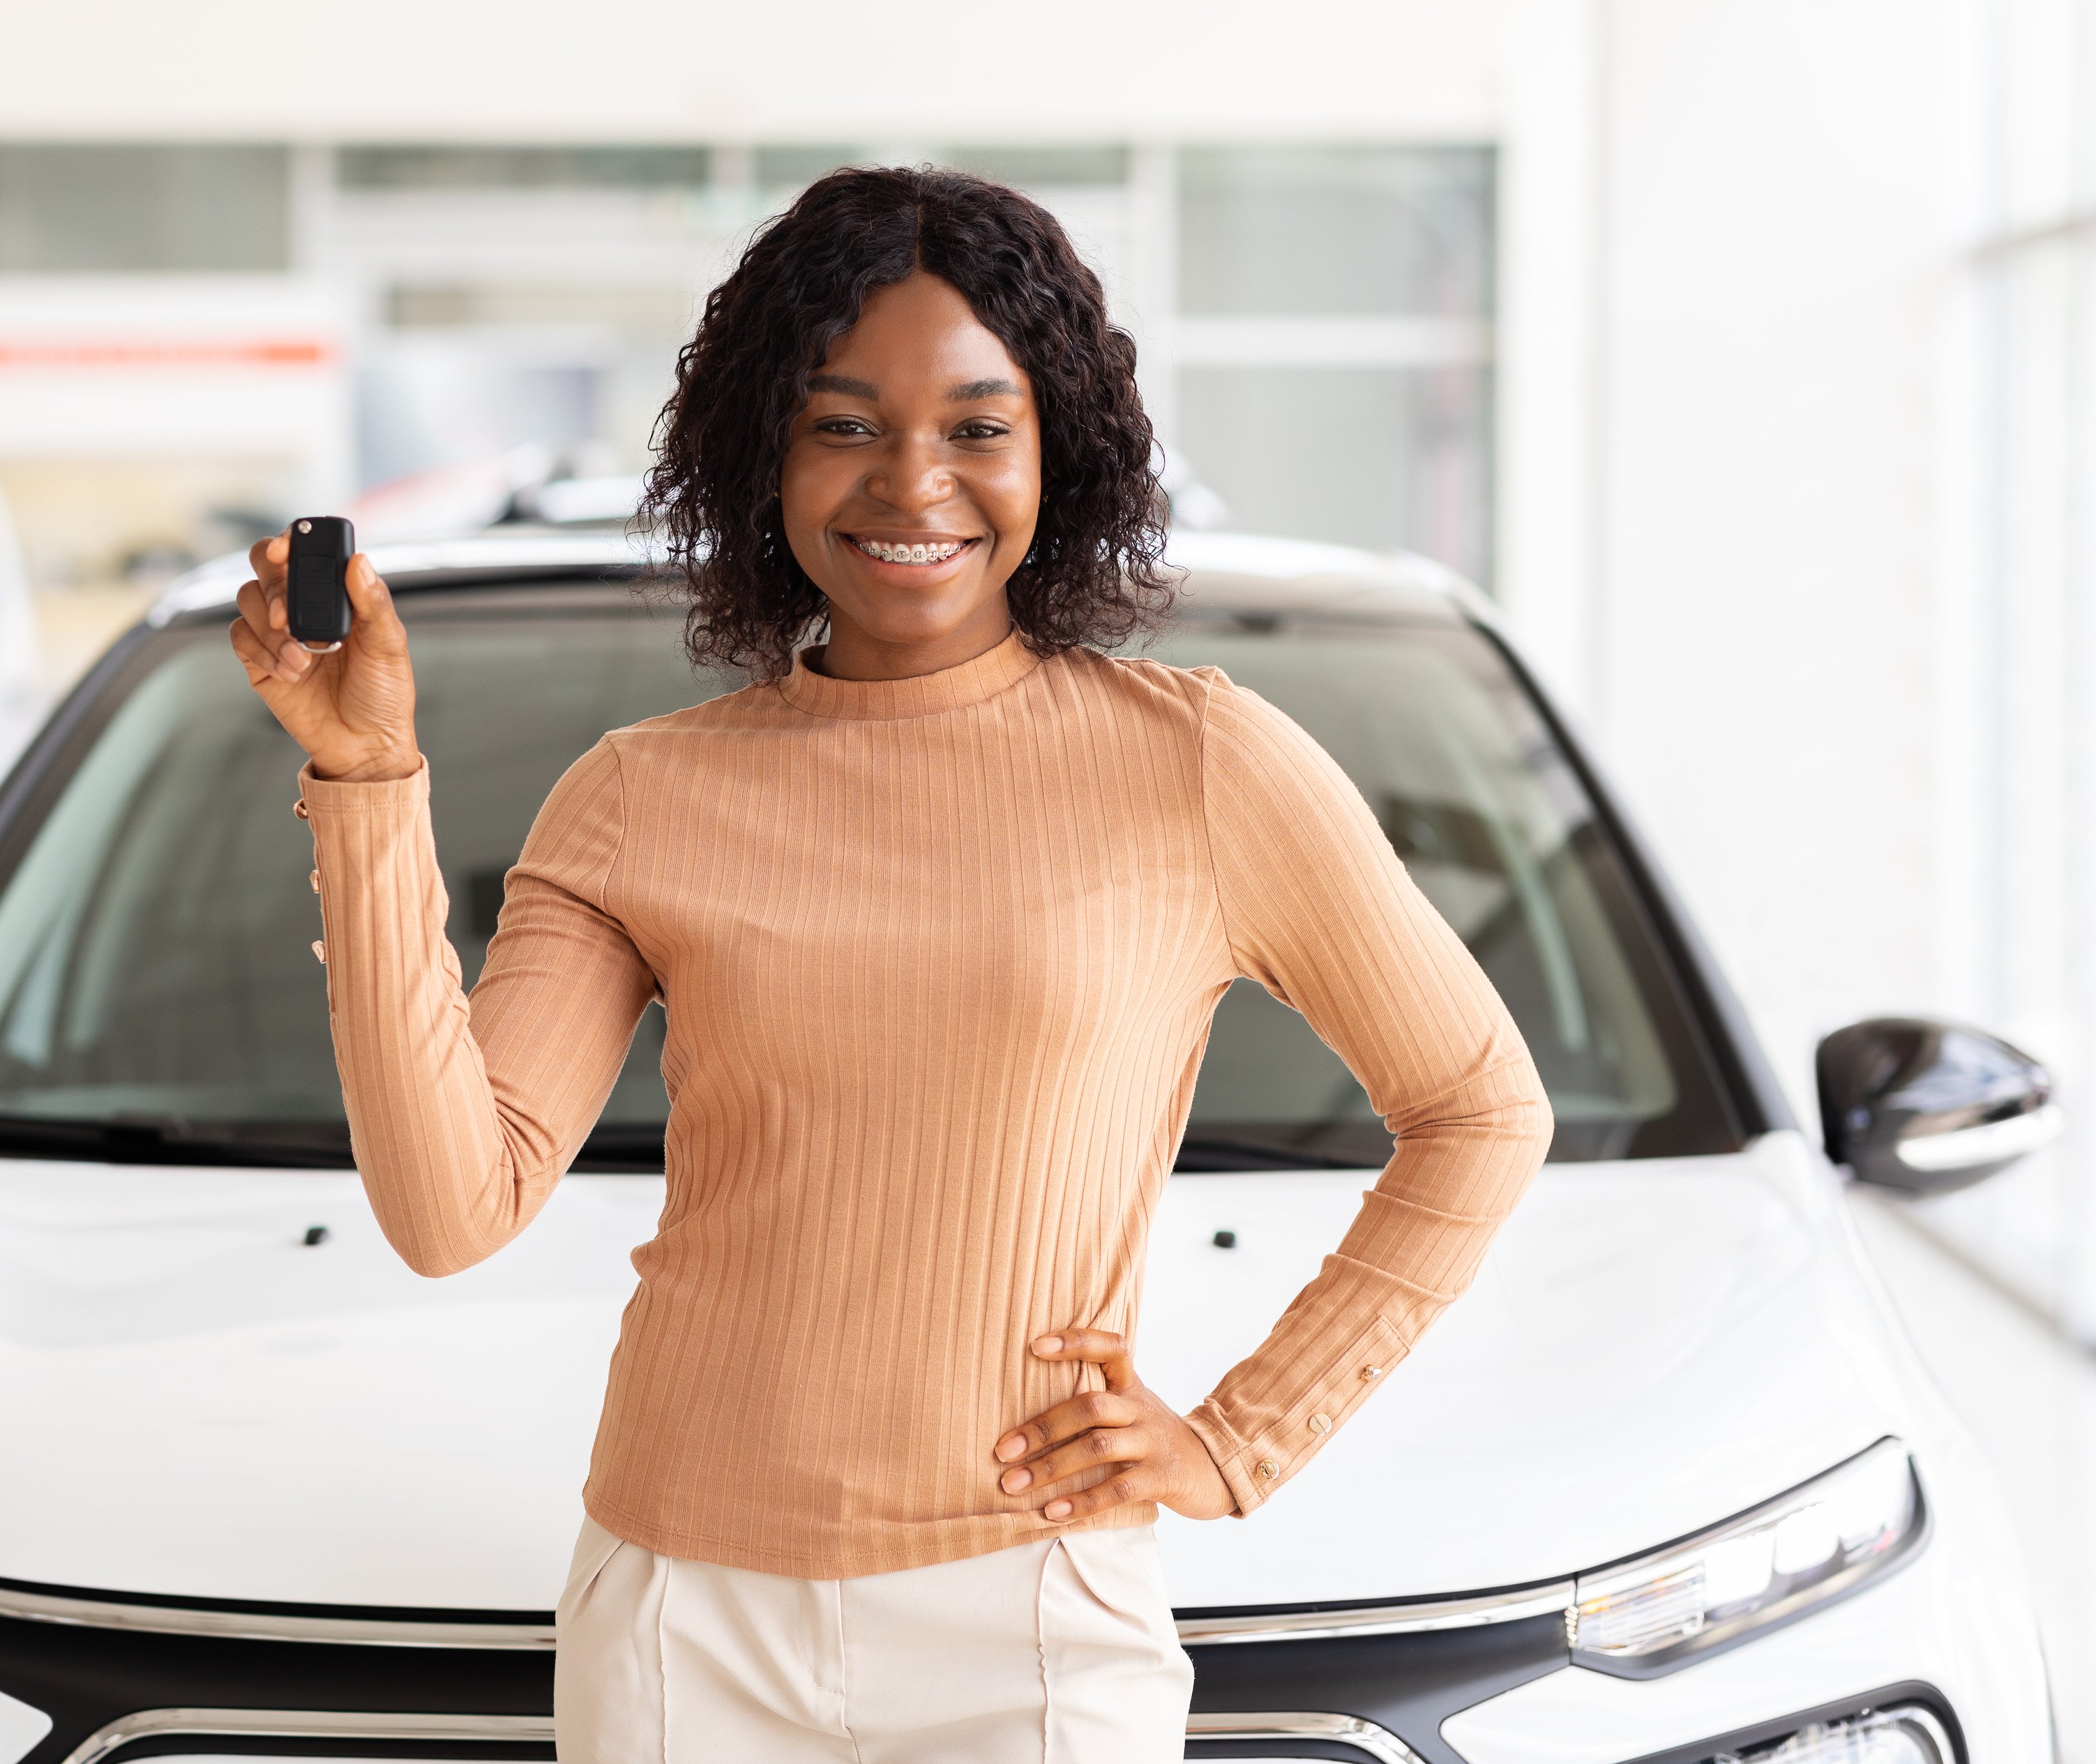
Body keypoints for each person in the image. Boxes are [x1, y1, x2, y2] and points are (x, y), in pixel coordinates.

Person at [228, 166, 1552, 1764]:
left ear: (1057, 449)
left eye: (977, 426)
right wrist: (369, 785)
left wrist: (1241, 1438)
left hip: (1039, 1617)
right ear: (763, 453)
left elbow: (1479, 1107)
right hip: (685, 1610)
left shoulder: (1203, 763)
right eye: (844, 422)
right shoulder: (644, 792)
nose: (912, 482)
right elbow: (451, 1208)